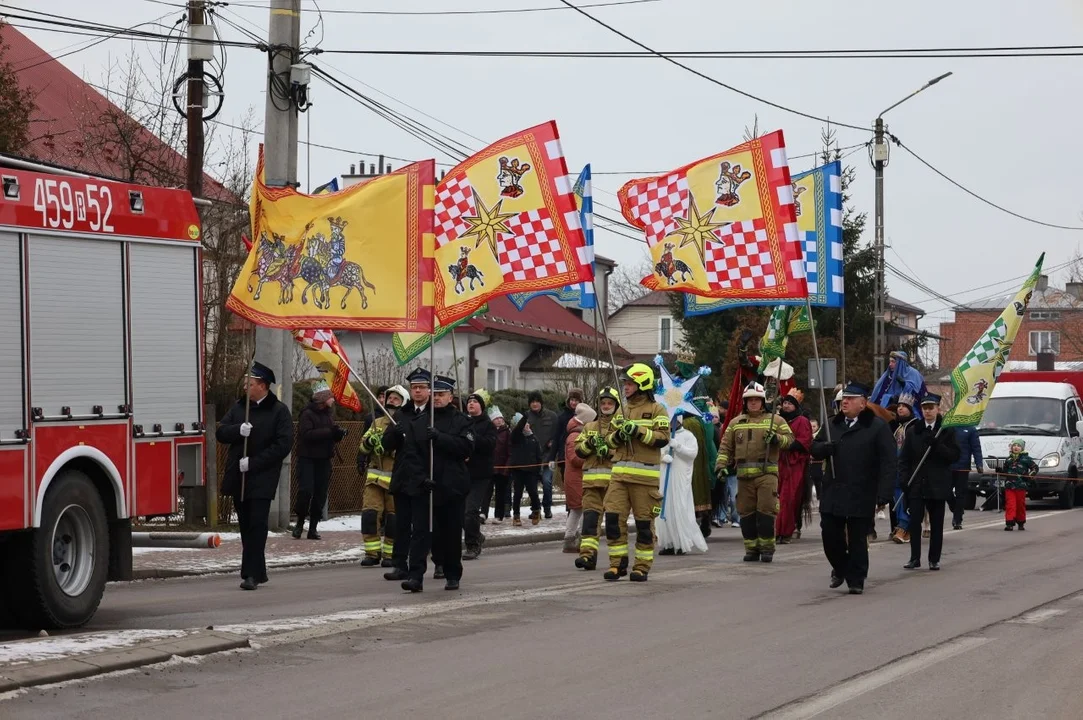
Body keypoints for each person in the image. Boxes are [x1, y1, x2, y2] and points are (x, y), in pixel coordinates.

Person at [812, 382, 896, 595]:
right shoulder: (832, 424)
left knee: (858, 537)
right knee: (830, 534)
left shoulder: (877, 426)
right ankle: (841, 568)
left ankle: (856, 578)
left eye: (850, 399)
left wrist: (884, 493)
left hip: (862, 490)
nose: (845, 402)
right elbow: (814, 448)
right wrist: (824, 448)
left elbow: (888, 462)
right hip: (834, 489)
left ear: (863, 403)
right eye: (843, 399)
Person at [217, 361, 294, 591]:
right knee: (245, 525)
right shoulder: (240, 407)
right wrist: (237, 430)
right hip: (239, 477)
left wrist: (254, 462)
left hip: (262, 477)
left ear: (263, 386)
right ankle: (258, 572)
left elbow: (283, 445)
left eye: (250, 384)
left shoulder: (278, 411)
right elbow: (221, 432)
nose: (245, 387)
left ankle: (250, 574)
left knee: (257, 525)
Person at [602, 363, 670, 581]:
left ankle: (641, 566)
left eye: (630, 383)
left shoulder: (657, 409)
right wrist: (618, 436)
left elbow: (662, 438)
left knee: (644, 525)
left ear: (642, 384)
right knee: (613, 520)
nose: (625, 387)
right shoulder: (621, 410)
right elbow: (608, 441)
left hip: (644, 479)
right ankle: (617, 564)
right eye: (625, 383)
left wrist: (638, 431)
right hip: (619, 477)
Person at [715, 382, 794, 563]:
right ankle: (751, 549)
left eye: (756, 399)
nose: (753, 403)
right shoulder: (736, 423)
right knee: (746, 514)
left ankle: (767, 549)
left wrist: (776, 438)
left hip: (767, 474)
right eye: (749, 400)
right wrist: (721, 466)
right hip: (744, 477)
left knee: (766, 512)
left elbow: (790, 440)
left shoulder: (775, 420)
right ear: (744, 402)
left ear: (762, 401)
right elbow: (725, 447)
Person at [382, 368, 434, 587]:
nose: (418, 391)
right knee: (401, 525)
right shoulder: (402, 414)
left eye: (421, 387)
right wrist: (394, 434)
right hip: (403, 478)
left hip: (423, 480)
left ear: (429, 390)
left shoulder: (434, 414)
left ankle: (416, 572)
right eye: (414, 388)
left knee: (421, 528)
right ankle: (399, 565)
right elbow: (386, 445)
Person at [900, 393, 960, 571]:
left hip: (938, 484)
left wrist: (937, 445)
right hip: (917, 483)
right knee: (914, 522)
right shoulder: (913, 431)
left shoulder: (946, 430)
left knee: (936, 524)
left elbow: (954, 456)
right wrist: (904, 479)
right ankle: (914, 558)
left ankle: (934, 559)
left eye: (931, 408)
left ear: (937, 409)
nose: (927, 411)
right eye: (925, 408)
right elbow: (904, 459)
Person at [357, 385, 406, 567]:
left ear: (403, 403)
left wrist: (389, 449)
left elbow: (410, 450)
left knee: (393, 519)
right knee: (369, 515)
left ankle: (390, 555)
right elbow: (362, 447)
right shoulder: (376, 423)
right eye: (389, 398)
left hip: (396, 480)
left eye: (396, 399)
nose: (391, 401)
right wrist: (370, 442)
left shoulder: (406, 424)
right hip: (374, 479)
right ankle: (372, 553)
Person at [292, 381, 348, 541]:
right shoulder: (307, 414)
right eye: (330, 397)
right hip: (307, 459)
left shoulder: (328, 414)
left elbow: (329, 434)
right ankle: (300, 522)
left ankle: (313, 527)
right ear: (322, 398)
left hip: (324, 459)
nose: (333, 400)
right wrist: (329, 432)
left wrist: (337, 434)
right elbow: (307, 434)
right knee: (305, 491)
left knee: (320, 494)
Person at [574, 387, 619, 570]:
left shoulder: (621, 427)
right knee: (590, 521)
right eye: (603, 403)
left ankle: (617, 560)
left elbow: (628, 451)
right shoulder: (590, 427)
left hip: (614, 484)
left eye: (609, 403)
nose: (606, 406)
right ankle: (587, 556)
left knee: (614, 523)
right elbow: (578, 451)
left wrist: (608, 451)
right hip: (592, 483)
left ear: (616, 405)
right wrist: (590, 444)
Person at [656, 413, 708, 555]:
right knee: (666, 507)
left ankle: (681, 542)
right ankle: (669, 542)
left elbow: (692, 453)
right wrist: (662, 457)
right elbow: (654, 452)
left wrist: (678, 446)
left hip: (680, 478)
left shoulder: (688, 435)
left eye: (674, 419)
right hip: (665, 476)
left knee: (679, 507)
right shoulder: (662, 435)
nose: (671, 422)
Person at [463, 388, 496, 560]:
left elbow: (489, 445)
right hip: (462, 473)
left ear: (481, 406)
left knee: (471, 511)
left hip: (480, 474)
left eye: (475, 402)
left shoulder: (488, 425)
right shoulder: (462, 422)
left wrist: (473, 436)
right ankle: (477, 535)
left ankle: (472, 545)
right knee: (460, 512)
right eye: (469, 402)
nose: (471, 404)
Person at [776, 392, 811, 544]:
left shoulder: (802, 421)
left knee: (789, 499)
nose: (786, 405)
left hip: (795, 465)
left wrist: (785, 443)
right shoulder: (777, 420)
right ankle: (776, 531)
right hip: (778, 463)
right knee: (776, 498)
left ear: (795, 406)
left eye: (790, 403)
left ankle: (786, 531)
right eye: (785, 403)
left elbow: (805, 441)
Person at [562, 403, 596, 553]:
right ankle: (578, 538)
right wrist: (592, 457)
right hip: (576, 479)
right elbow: (575, 458)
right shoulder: (575, 436)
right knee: (581, 509)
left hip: (578, 478)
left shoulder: (577, 434)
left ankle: (570, 539)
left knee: (577, 510)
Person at [549, 388, 585, 506]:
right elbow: (556, 437)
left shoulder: (585, 416)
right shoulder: (562, 417)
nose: (573, 403)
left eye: (576, 400)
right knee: (569, 486)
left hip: (581, 455)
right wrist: (552, 458)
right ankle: (570, 508)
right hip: (564, 456)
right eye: (572, 400)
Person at [888, 398, 916, 544]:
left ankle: (904, 526)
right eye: (899, 406)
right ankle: (903, 526)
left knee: (906, 498)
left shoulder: (914, 426)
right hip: (897, 467)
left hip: (909, 468)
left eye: (904, 406)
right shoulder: (898, 427)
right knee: (897, 497)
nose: (900, 408)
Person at [527, 391, 558, 519]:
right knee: (532, 486)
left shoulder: (552, 416)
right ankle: (535, 509)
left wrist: (553, 442)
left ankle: (547, 507)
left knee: (547, 482)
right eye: (532, 402)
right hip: (532, 458)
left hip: (549, 457)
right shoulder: (526, 417)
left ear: (541, 403)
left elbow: (558, 432)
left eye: (537, 401)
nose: (535, 404)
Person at [510, 412, 543, 526]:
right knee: (517, 494)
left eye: (527, 423)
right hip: (518, 471)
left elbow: (539, 456)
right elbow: (518, 428)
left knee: (533, 492)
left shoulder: (534, 439)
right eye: (524, 423)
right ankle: (516, 516)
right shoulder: (516, 437)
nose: (526, 425)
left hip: (531, 472)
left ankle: (536, 511)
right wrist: (524, 418)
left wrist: (538, 471)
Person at [950, 425, 983, 530]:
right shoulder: (947, 427)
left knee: (960, 494)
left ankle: (957, 520)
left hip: (963, 467)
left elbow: (976, 448)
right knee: (945, 492)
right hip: (947, 466)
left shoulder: (970, 429)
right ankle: (955, 508)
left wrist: (979, 464)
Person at [1002, 439, 1038, 531]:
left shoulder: (1026, 459)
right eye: (1014, 445)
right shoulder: (1008, 459)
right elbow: (1005, 471)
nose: (1016, 447)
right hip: (1009, 486)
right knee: (1010, 504)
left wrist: (1030, 476)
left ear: (1022, 448)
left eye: (1018, 446)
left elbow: (1035, 468)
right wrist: (1000, 471)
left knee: (1020, 505)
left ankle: (1021, 522)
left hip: (1021, 486)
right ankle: (1009, 523)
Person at [488, 407, 511, 522]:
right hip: (489, 466)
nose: (499, 420)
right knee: (487, 491)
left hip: (502, 467)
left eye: (500, 418)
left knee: (500, 492)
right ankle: (483, 513)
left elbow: (509, 451)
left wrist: (506, 468)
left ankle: (499, 515)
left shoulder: (507, 432)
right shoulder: (489, 432)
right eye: (496, 418)